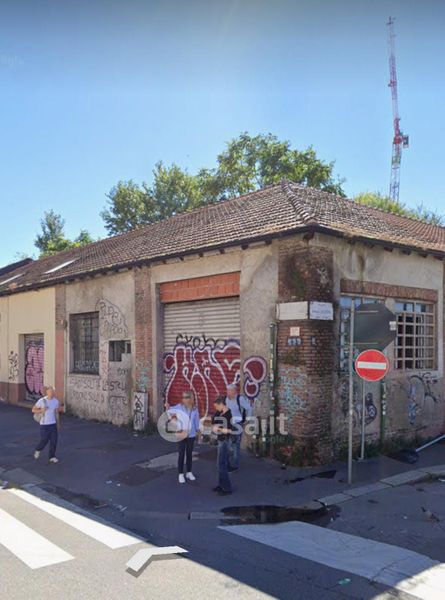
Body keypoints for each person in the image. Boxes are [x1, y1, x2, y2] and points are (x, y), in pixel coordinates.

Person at [165, 391, 201, 484]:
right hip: (181, 434)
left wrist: (198, 432)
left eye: (188, 398)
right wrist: (167, 406)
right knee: (181, 454)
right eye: (184, 398)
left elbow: (196, 422)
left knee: (189, 454)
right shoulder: (179, 407)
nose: (185, 399)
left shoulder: (195, 409)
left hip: (191, 434)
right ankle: (180, 474)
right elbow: (169, 411)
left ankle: (189, 472)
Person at [225, 383, 253, 471]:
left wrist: (248, 420)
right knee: (227, 444)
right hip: (229, 424)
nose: (228, 392)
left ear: (234, 391)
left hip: (237, 425)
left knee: (236, 445)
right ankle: (227, 464)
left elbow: (249, 408)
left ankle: (235, 465)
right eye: (227, 391)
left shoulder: (239, 399)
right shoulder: (226, 399)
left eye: (229, 391)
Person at [32, 386, 61, 463]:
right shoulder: (42, 401)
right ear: (47, 392)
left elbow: (56, 413)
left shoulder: (56, 401)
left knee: (54, 441)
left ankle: (52, 457)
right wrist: (41, 410)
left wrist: (58, 423)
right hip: (44, 425)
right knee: (44, 440)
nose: (52, 393)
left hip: (53, 424)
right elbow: (33, 410)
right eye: (50, 392)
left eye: (53, 392)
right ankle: (38, 449)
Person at [212, 395, 234, 495]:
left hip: (225, 441)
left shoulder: (229, 415)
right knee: (220, 464)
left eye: (217, 406)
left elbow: (230, 430)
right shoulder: (221, 413)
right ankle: (221, 485)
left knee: (222, 464)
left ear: (221, 404)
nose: (216, 408)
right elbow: (214, 420)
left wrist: (219, 429)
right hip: (221, 440)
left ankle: (226, 488)